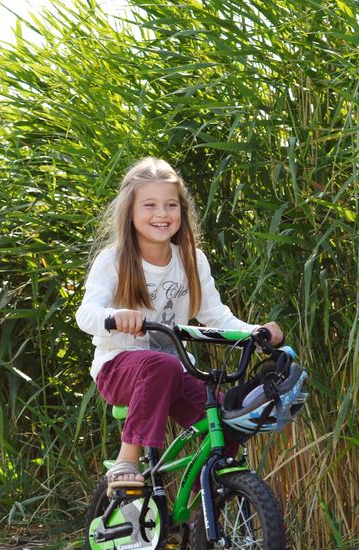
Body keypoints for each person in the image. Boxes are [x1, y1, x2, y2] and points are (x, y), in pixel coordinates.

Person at [74, 157, 284, 488]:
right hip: (119, 369)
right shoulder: (114, 260)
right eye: (150, 205)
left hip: (177, 371)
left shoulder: (191, 260)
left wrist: (256, 332)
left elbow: (215, 316)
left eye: (171, 205)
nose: (162, 214)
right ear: (130, 211)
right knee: (161, 365)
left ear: (181, 212)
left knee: (224, 432)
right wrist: (115, 317)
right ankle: (128, 459)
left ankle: (208, 512)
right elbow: (85, 314)